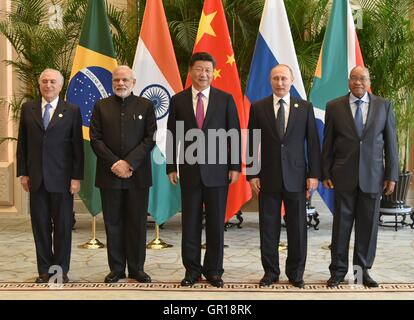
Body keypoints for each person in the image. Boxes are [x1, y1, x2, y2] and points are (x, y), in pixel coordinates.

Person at [166, 52, 241, 288]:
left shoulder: (225, 99)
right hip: (189, 172)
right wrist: (171, 166)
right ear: (191, 71)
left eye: (208, 70)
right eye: (199, 69)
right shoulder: (178, 100)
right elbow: (172, 136)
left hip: (218, 172)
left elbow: (235, 135)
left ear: (213, 72)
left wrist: (235, 166)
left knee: (216, 224)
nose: (204, 74)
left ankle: (214, 271)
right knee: (190, 223)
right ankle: (192, 270)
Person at [322, 66, 398, 288]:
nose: (358, 82)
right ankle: (337, 271)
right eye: (354, 78)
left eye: (362, 78)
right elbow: (328, 143)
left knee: (367, 228)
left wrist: (392, 175)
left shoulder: (384, 105)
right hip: (342, 177)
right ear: (348, 81)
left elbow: (391, 145)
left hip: (373, 178)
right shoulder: (334, 106)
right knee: (341, 228)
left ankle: (361, 273)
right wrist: (325, 171)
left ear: (369, 81)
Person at [247, 64, 321, 288]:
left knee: (298, 228)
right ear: (270, 81)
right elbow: (252, 143)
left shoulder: (304, 107)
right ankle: (270, 272)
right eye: (276, 79)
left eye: (284, 79)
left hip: (297, 177)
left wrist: (314, 174)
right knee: (268, 227)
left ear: (291, 81)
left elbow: (313, 143)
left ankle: (296, 273)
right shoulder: (258, 108)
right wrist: (252, 173)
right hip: (267, 177)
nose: (280, 83)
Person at [16, 68, 84, 283]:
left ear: (60, 85)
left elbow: (77, 149)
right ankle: (44, 270)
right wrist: (23, 173)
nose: (48, 85)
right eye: (44, 81)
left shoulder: (71, 110)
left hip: (63, 180)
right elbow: (22, 144)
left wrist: (76, 177)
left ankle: (60, 270)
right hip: (36, 179)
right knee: (41, 227)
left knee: (63, 227)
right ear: (39, 84)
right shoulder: (28, 109)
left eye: (52, 81)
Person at [90, 65, 156, 283]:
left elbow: (150, 139)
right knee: (113, 223)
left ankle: (137, 269)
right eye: (117, 80)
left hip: (137, 175)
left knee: (137, 223)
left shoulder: (146, 106)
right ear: (112, 83)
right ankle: (116, 268)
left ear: (133, 82)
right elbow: (95, 139)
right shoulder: (101, 106)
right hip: (110, 175)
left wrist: (129, 163)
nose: (121, 84)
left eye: (125, 80)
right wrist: (115, 163)